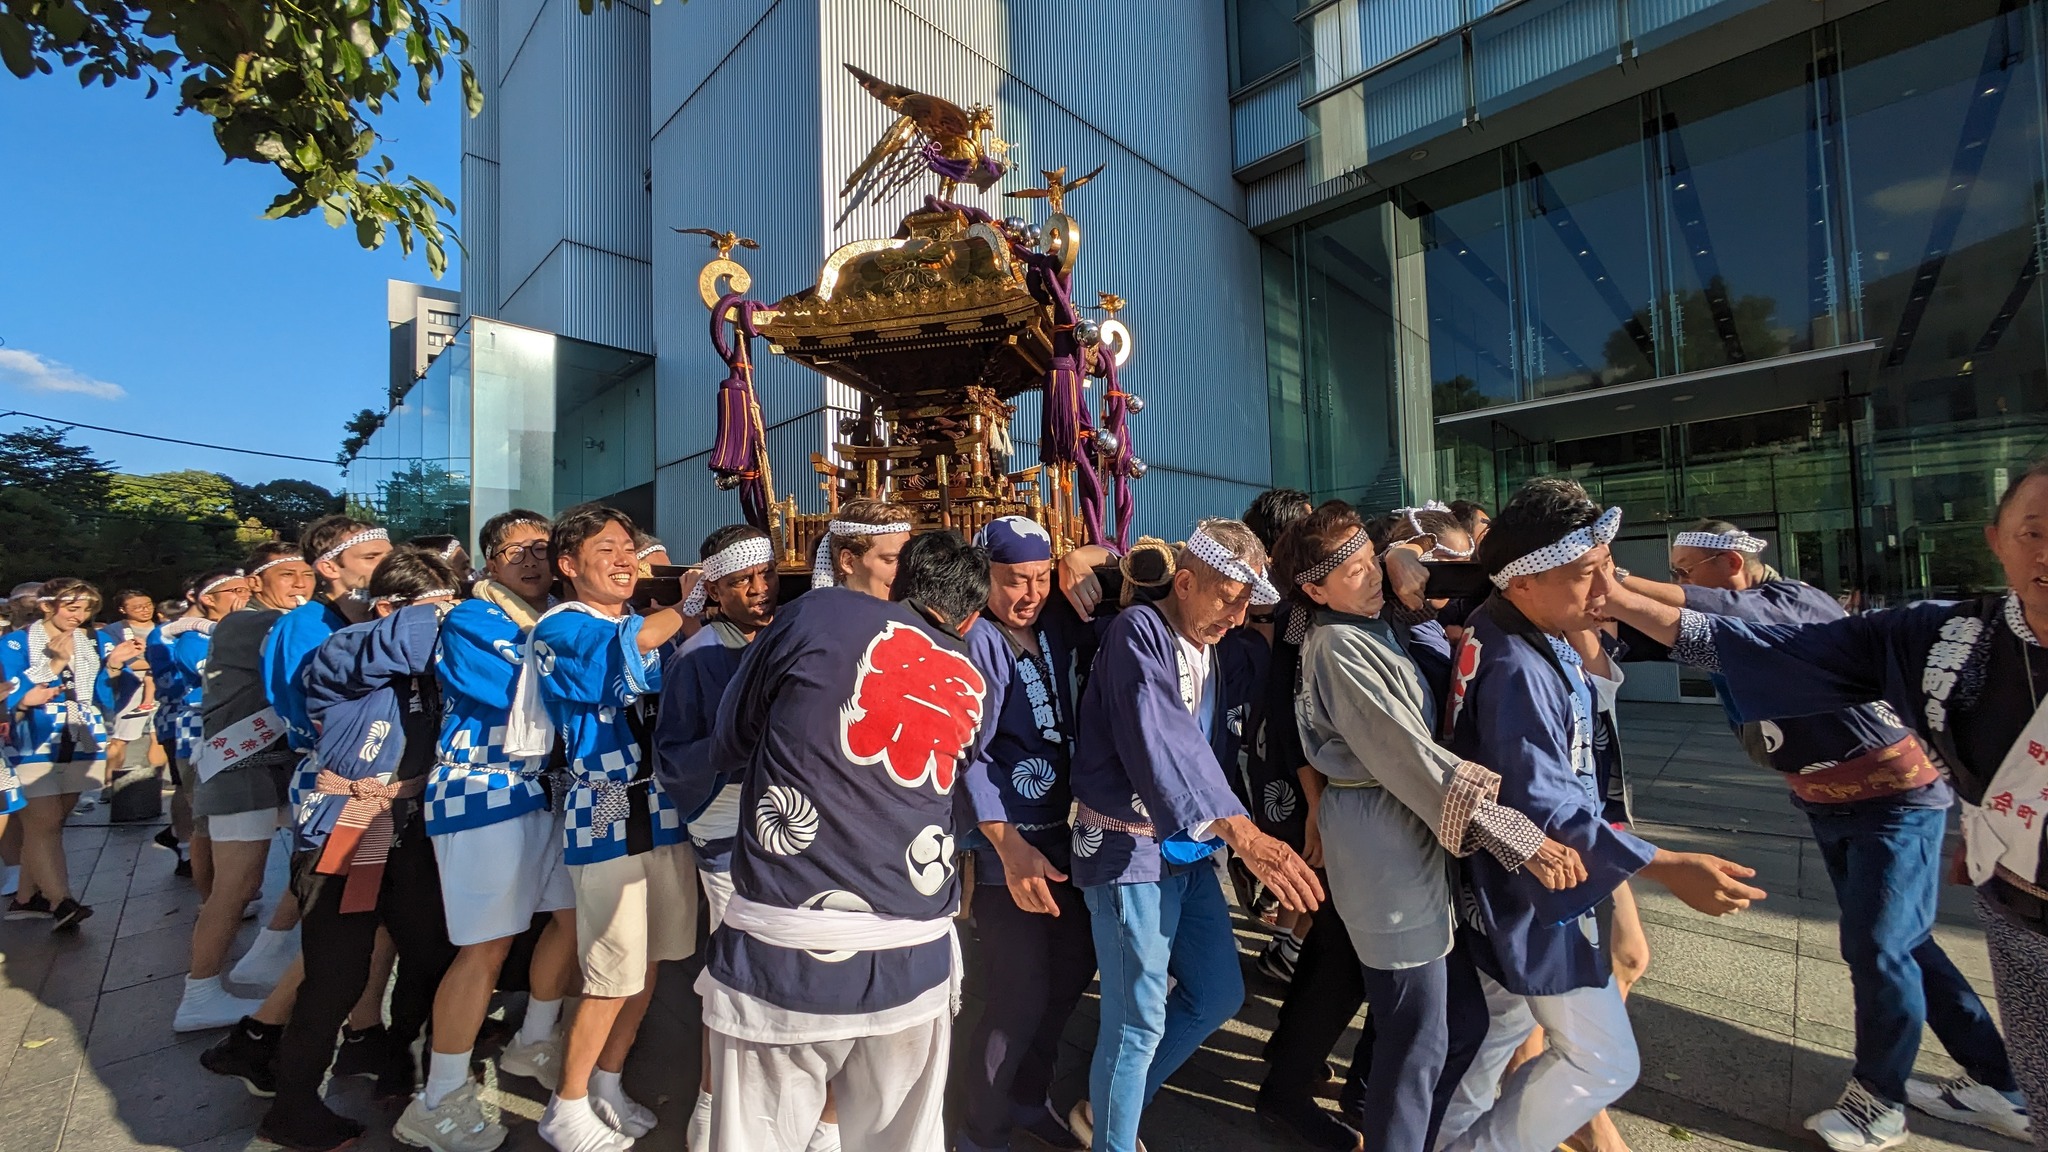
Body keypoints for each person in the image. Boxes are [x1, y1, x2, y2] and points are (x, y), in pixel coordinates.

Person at [1598, 461, 2048, 1152]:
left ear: (1731, 564)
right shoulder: (1945, 632)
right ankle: (1999, 1079)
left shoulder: (1796, 602)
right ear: (1997, 540)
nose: (1682, 584)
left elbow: (1727, 623)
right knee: (1904, 944)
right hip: (1832, 804)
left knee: (1877, 945)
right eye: (2031, 533)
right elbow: (1669, 632)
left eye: (1689, 571)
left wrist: (1619, 584)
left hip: (1894, 799)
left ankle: (1880, 1102)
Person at [1435, 478, 1768, 1152]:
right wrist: (1665, 863)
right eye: (1587, 574)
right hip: (1532, 884)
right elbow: (1542, 798)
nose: (1604, 590)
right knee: (1596, 1058)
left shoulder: (1517, 628)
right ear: (1523, 582)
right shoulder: (1516, 663)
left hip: (1524, 881)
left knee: (1495, 1042)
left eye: (1607, 569)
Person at [1258, 502, 1584, 1152]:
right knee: (1418, 1039)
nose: (1370, 575)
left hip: (1401, 836)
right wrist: (1521, 838)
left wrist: (1403, 560)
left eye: (1366, 559)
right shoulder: (1338, 648)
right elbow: (1415, 760)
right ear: (1314, 589)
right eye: (1349, 571)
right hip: (1386, 851)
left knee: (1449, 1024)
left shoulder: (1361, 624)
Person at [664, 529, 988, 1152]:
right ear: (970, 616)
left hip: (784, 945)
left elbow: (731, 739)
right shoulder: (973, 673)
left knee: (753, 1136)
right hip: (916, 952)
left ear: (901, 579)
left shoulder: (815, 611)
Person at [1068, 519, 1324, 1152]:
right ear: (1184, 582)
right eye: (1225, 597)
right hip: (1127, 847)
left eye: (1246, 603)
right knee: (1136, 1019)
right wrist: (1247, 835)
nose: (1236, 617)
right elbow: (1164, 740)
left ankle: (1107, 1109)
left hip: (1186, 846)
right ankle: (1113, 1138)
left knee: (1216, 992)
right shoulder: (1137, 634)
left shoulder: (1221, 645)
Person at [509, 502, 699, 1152]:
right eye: (607, 550)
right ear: (568, 566)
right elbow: (628, 650)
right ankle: (565, 1105)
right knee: (611, 968)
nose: (624, 560)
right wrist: (696, 600)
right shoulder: (561, 627)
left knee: (650, 963)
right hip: (606, 804)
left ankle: (607, 1083)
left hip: (663, 804)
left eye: (629, 548)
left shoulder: (639, 622)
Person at [260, 548, 463, 1152]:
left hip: (411, 827)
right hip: (344, 831)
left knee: (429, 953)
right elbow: (403, 641)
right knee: (335, 977)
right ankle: (291, 1106)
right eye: (440, 609)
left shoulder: (436, 669)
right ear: (386, 608)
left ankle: (398, 1062)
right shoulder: (342, 652)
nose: (454, 621)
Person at [397, 511, 571, 1152]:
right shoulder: (472, 619)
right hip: (483, 792)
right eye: (512, 550)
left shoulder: (560, 613)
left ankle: (533, 1041)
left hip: (549, 794)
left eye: (541, 548)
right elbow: (534, 692)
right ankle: (437, 1096)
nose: (530, 559)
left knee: (570, 920)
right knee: (486, 948)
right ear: (489, 564)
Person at [951, 517, 1114, 1152]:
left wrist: (1081, 556)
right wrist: (1002, 840)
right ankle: (980, 1126)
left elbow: (1137, 557)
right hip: (1010, 848)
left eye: (1043, 578)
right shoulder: (981, 641)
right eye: (1015, 580)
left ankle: (1028, 1096)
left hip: (1066, 837)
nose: (1031, 592)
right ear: (982, 577)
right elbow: (972, 754)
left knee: (1073, 969)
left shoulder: (1051, 621)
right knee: (1017, 995)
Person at [649, 523, 794, 1151]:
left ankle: (771, 1093)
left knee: (783, 956)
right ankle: (713, 1100)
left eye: (765, 576)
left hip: (787, 816)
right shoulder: (700, 653)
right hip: (728, 817)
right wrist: (743, 748)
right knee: (734, 958)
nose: (759, 590)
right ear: (715, 591)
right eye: (741, 582)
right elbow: (674, 753)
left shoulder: (789, 634)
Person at [260, 515, 408, 1107]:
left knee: (372, 925)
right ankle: (276, 1060)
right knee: (338, 944)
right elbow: (317, 708)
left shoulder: (364, 618)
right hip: (340, 798)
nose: (386, 567)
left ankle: (364, 1030)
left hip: (377, 796)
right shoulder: (308, 627)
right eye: (372, 557)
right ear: (329, 568)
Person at [194, 541, 321, 1094]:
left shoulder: (292, 619)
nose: (301, 583)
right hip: (240, 767)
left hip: (282, 768)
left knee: (309, 868)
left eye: (306, 574)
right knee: (238, 883)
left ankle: (265, 954)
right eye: (287, 574)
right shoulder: (248, 623)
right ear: (254, 582)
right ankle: (198, 991)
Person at [155, 565, 270, 1029]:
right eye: (232, 591)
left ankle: (264, 946)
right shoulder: (196, 639)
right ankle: (201, 987)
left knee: (252, 875)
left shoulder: (228, 626)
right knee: (227, 870)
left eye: (244, 589)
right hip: (220, 746)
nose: (240, 597)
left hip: (259, 752)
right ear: (203, 598)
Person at [2, 577, 139, 929]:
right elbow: (9, 692)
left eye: (87, 609)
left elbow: (103, 697)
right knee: (43, 822)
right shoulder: (16, 644)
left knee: (49, 825)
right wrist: (53, 665)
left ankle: (25, 898)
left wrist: (114, 666)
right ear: (48, 605)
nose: (79, 615)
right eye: (72, 607)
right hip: (31, 739)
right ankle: (62, 902)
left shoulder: (95, 640)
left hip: (80, 736)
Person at [1235, 488, 1315, 979]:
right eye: (1305, 529)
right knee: (1292, 834)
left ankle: (1286, 944)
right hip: (1265, 731)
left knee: (1299, 837)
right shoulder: (1258, 589)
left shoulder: (1295, 595)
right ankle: (1286, 944)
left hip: (1283, 729)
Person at [93, 588, 159, 808]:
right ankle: (109, 782)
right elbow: (118, 661)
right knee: (119, 738)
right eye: (137, 606)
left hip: (161, 685)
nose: (145, 609)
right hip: (128, 686)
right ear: (122, 609)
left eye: (148, 604)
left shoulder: (162, 628)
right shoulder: (113, 631)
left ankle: (156, 781)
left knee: (156, 734)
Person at [810, 497, 913, 596]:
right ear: (848, 562)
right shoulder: (827, 613)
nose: (904, 570)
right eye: (890, 560)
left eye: (906, 560)